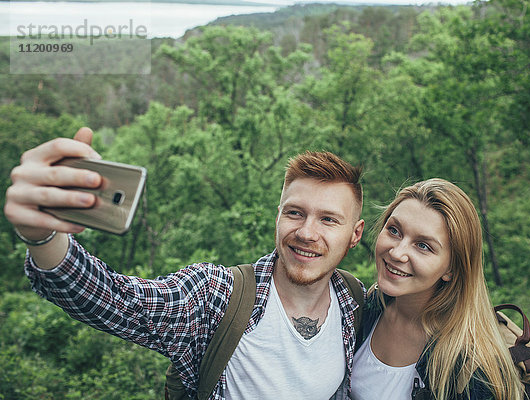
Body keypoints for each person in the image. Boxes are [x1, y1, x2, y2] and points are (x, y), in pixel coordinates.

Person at [4, 128, 366, 399]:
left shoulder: (355, 301)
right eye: (294, 213)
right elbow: (114, 299)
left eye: (329, 220)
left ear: (355, 234)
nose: (306, 232)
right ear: (277, 216)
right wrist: (42, 236)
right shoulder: (216, 296)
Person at [350, 178, 523, 400]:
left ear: (451, 269)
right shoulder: (367, 305)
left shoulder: (472, 374)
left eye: (423, 246)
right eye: (394, 230)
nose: (396, 253)